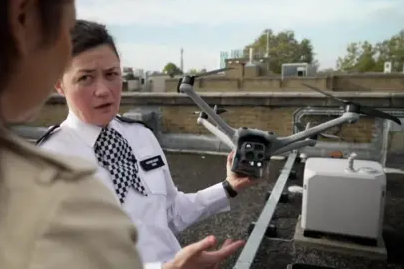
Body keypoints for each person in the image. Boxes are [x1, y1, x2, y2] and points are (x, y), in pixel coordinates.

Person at [0, 0, 144, 268]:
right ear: (24, 17)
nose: (102, 90)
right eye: (66, 29)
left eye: (112, 74)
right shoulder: (66, 210)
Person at [38, 19, 258, 269]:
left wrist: (228, 187)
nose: (103, 90)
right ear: (59, 85)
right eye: (86, 78)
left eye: (111, 75)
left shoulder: (141, 136)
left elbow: (169, 213)